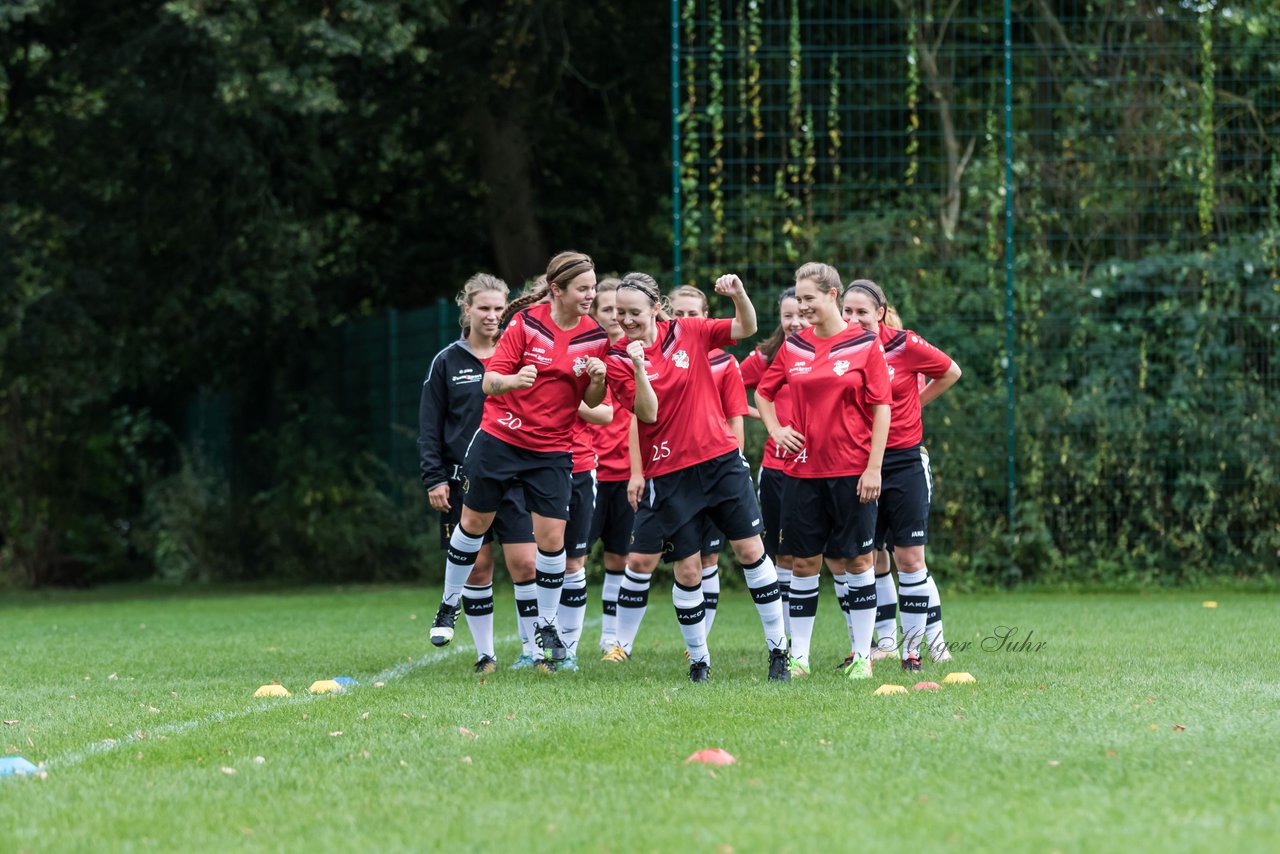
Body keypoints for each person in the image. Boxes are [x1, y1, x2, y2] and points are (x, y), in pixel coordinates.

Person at [430, 251, 657, 673]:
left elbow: (593, 403)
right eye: (584, 289)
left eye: (593, 287)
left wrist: (596, 379)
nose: (592, 296)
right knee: (474, 527)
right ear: (558, 290)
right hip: (501, 439)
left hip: (552, 450)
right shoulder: (526, 323)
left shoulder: (595, 338)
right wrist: (514, 380)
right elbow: (489, 380)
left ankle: (547, 627)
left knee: (552, 543)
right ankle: (447, 605)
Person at [603, 272, 789, 683]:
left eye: (635, 312)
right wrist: (637, 364)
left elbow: (746, 327)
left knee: (750, 552)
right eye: (620, 313)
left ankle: (779, 652)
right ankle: (699, 662)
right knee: (687, 571)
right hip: (669, 474)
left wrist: (739, 294)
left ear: (656, 309)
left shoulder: (688, 330)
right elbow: (647, 413)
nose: (627, 319)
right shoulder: (617, 358)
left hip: (720, 462)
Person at [756, 262, 892, 681]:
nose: (802, 307)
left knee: (857, 560)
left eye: (809, 298)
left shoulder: (866, 345)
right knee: (802, 564)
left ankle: (862, 657)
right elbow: (763, 392)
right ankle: (800, 658)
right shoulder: (794, 347)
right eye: (798, 299)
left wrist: (873, 468)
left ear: (832, 295)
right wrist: (777, 430)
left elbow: (881, 407)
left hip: (852, 473)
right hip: (800, 474)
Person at [418, 273, 539, 673]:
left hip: (516, 479)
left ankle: (532, 651)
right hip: (461, 482)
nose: (492, 316)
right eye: (484, 308)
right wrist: (434, 478)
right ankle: (485, 654)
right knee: (478, 566)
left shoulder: (518, 356)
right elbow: (430, 427)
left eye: (499, 308)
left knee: (526, 563)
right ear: (466, 310)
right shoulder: (446, 361)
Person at [843, 279, 961, 671]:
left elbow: (950, 371)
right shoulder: (838, 348)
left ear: (880, 312)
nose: (854, 318)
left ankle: (918, 649)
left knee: (910, 559)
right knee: (869, 558)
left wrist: (913, 403)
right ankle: (884, 643)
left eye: (863, 311)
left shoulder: (904, 344)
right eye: (848, 311)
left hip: (903, 461)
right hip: (857, 462)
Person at [668, 285, 749, 635]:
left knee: (710, 557)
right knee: (680, 562)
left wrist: (737, 463)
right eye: (678, 314)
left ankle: (701, 639)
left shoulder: (724, 361)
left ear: (705, 316)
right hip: (674, 471)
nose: (685, 320)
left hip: (717, 468)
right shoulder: (660, 358)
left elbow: (735, 418)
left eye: (692, 314)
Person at [739, 287, 809, 637]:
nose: (795, 322)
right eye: (787, 316)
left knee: (841, 559)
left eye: (801, 314)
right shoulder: (767, 356)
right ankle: (785, 640)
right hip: (779, 469)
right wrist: (769, 423)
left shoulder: (835, 350)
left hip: (829, 468)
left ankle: (868, 643)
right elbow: (728, 385)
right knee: (782, 556)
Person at [584, 280, 639, 654]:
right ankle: (554, 643)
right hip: (585, 469)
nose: (616, 317)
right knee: (572, 558)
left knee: (620, 557)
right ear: (596, 313)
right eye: (608, 309)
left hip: (627, 473)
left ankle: (612, 640)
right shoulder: (585, 351)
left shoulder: (639, 352)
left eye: (621, 310)